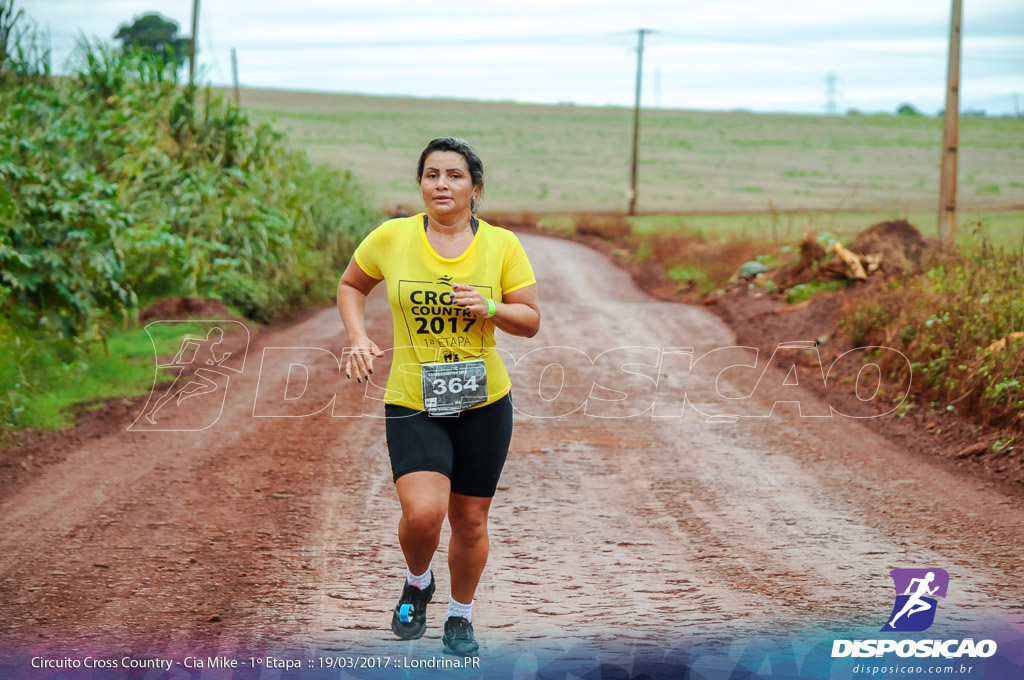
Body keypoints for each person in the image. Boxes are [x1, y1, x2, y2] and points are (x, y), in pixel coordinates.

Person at [336, 137, 540, 655]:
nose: (441, 184)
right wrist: (358, 336)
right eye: (431, 175)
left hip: (483, 401)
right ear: (421, 183)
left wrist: (491, 307)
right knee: (424, 513)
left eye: (454, 175)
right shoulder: (392, 237)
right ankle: (419, 580)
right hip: (413, 398)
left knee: (470, 519)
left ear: (474, 187)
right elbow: (351, 286)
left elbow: (530, 320)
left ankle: (459, 615)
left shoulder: (502, 245)